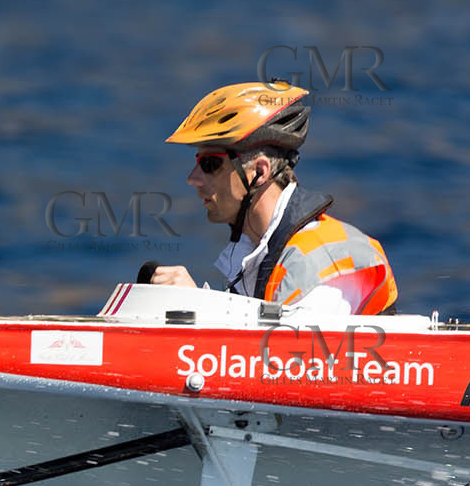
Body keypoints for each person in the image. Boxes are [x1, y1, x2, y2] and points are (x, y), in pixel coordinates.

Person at [150, 81, 398, 315]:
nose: (193, 178)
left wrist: (198, 308)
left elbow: (284, 357)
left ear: (259, 172)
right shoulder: (257, 252)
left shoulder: (322, 261)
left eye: (210, 164)